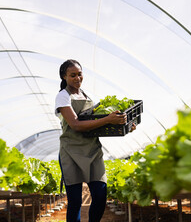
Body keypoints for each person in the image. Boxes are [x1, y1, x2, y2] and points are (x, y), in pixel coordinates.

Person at [55, 59, 135, 222]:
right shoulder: (62, 97)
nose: (77, 78)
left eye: (79, 74)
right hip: (71, 153)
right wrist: (107, 119)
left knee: (100, 196)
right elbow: (76, 125)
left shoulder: (85, 95)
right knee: (76, 201)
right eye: (72, 75)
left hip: (92, 150)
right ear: (64, 77)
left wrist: (123, 126)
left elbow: (95, 125)